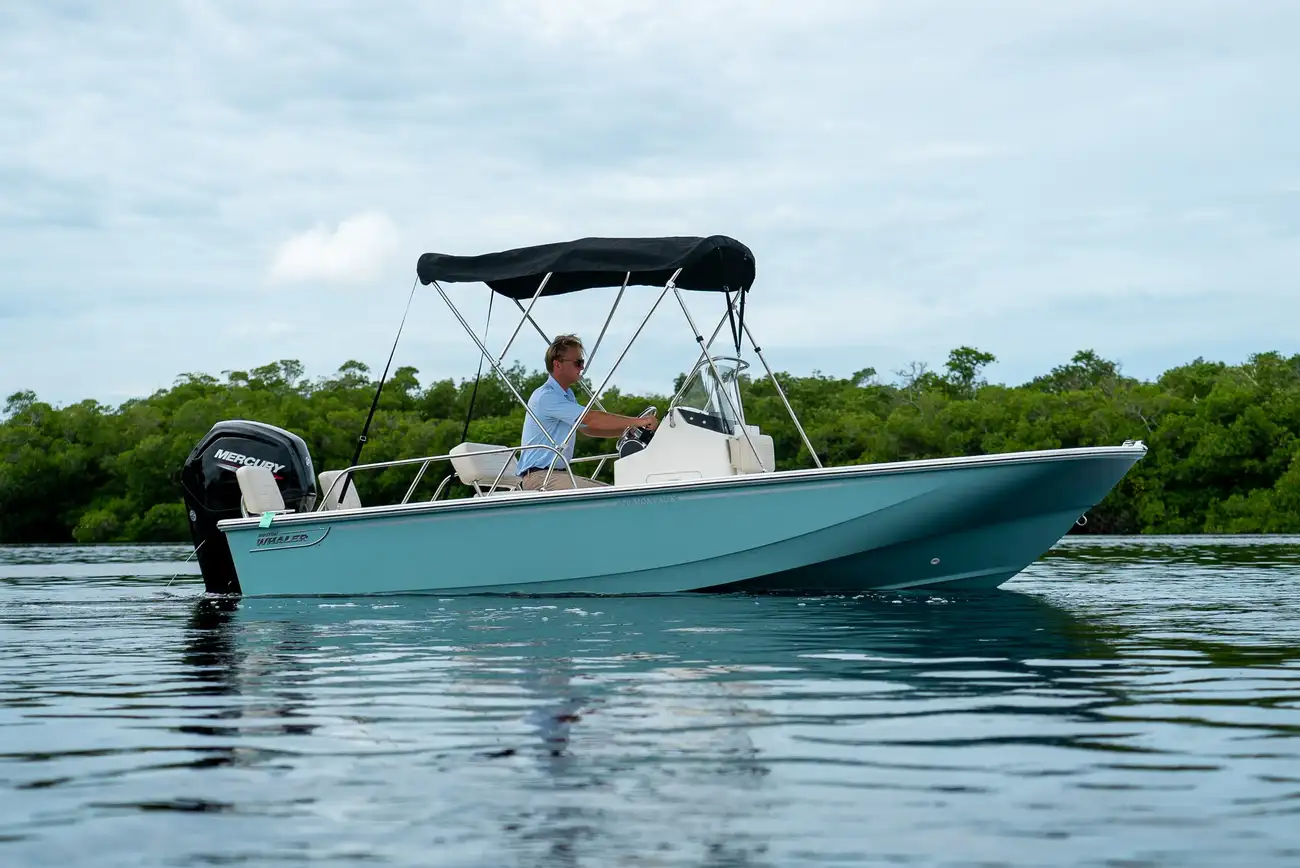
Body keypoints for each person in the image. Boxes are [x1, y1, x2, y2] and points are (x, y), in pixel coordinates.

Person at [517, 335, 658, 491]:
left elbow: (587, 428)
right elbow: (591, 419)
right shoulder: (546, 396)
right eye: (578, 363)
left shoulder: (566, 395)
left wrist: (627, 431)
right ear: (558, 364)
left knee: (613, 491)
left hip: (555, 475)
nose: (582, 367)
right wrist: (639, 421)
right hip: (541, 477)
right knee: (611, 495)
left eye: (582, 363)